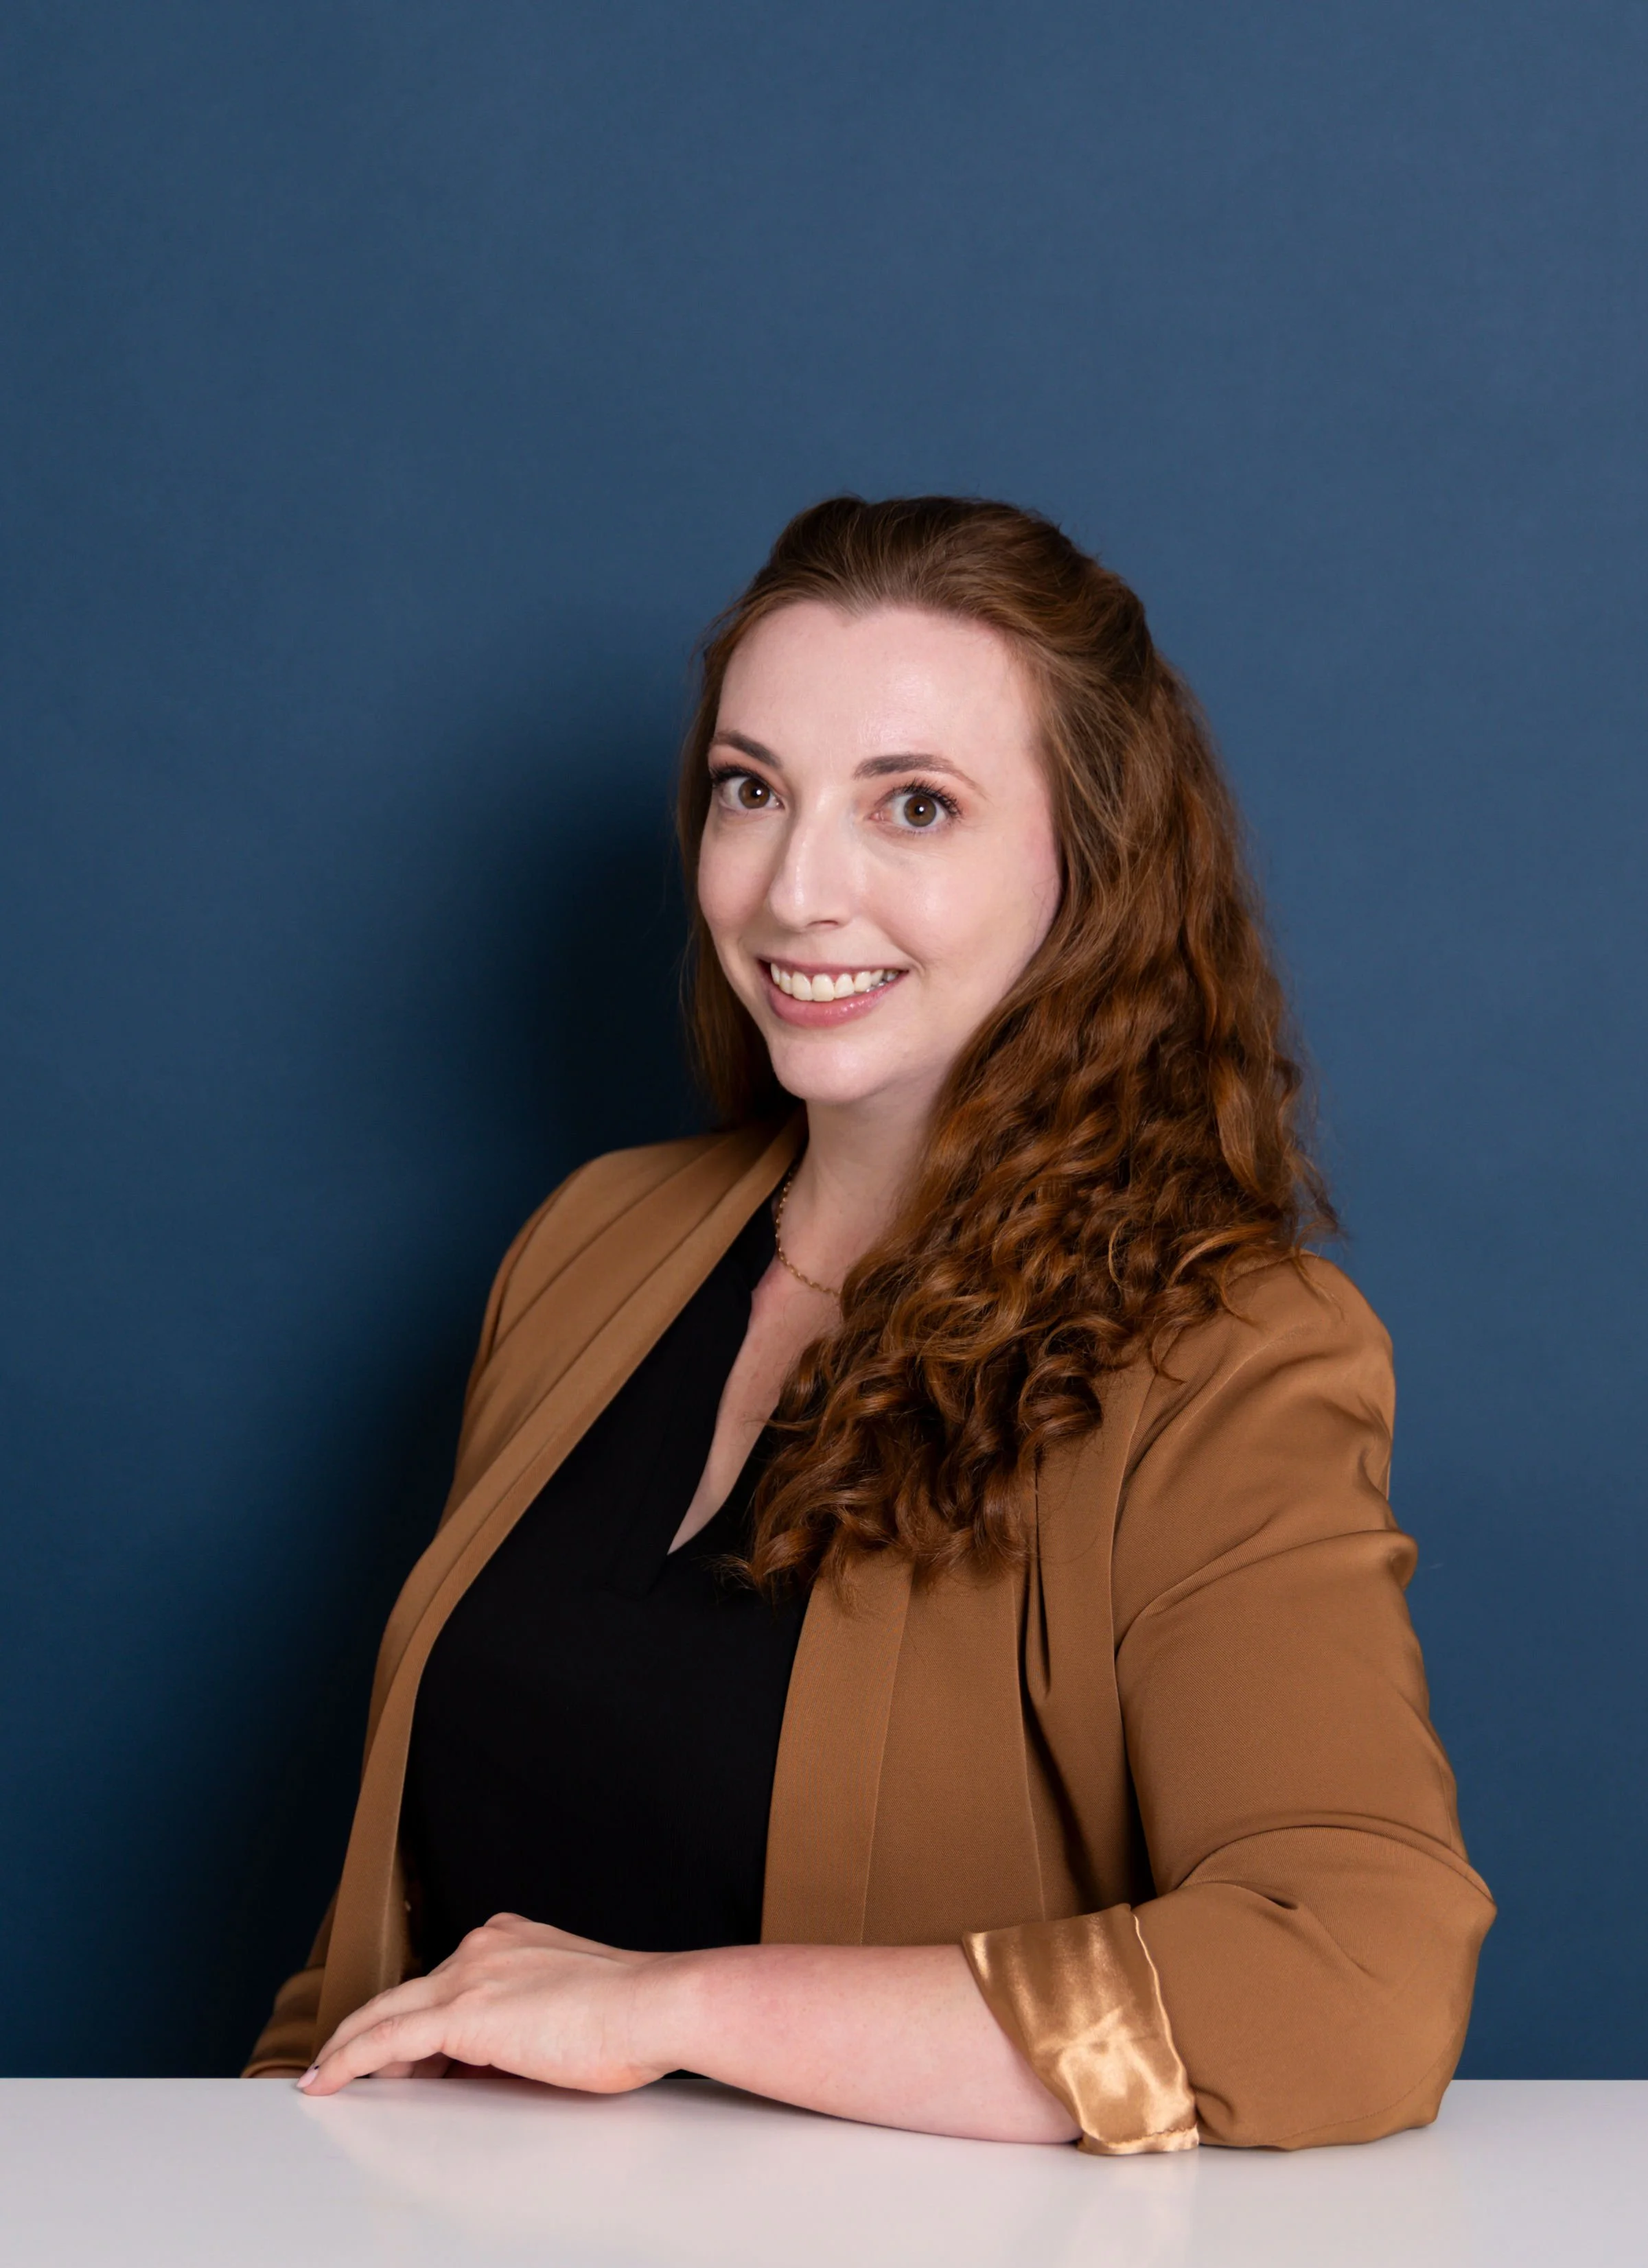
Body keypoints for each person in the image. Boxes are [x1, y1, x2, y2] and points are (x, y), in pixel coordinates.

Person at [249, 495, 1494, 2153]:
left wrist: (670, 2006)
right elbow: (388, 1955)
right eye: (750, 791)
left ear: (1091, 865)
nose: (795, 889)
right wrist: (262, 2174)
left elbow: (1356, 1972)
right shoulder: (587, 1246)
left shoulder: (1227, 1353)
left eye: (915, 805)